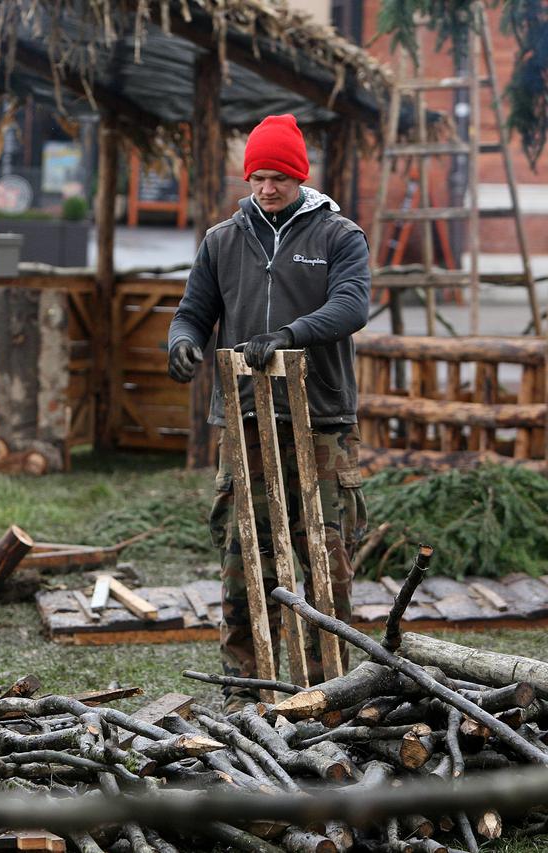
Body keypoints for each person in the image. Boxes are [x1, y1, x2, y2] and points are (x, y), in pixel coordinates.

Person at [166, 114, 370, 708]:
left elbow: (352, 306)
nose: (266, 188)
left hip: (322, 420)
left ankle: (327, 685)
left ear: (300, 177)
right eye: (257, 176)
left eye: (278, 177)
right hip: (247, 420)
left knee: (324, 555)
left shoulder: (338, 235)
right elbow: (193, 311)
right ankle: (245, 689)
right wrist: (182, 342)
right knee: (243, 555)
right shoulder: (222, 240)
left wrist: (290, 335)